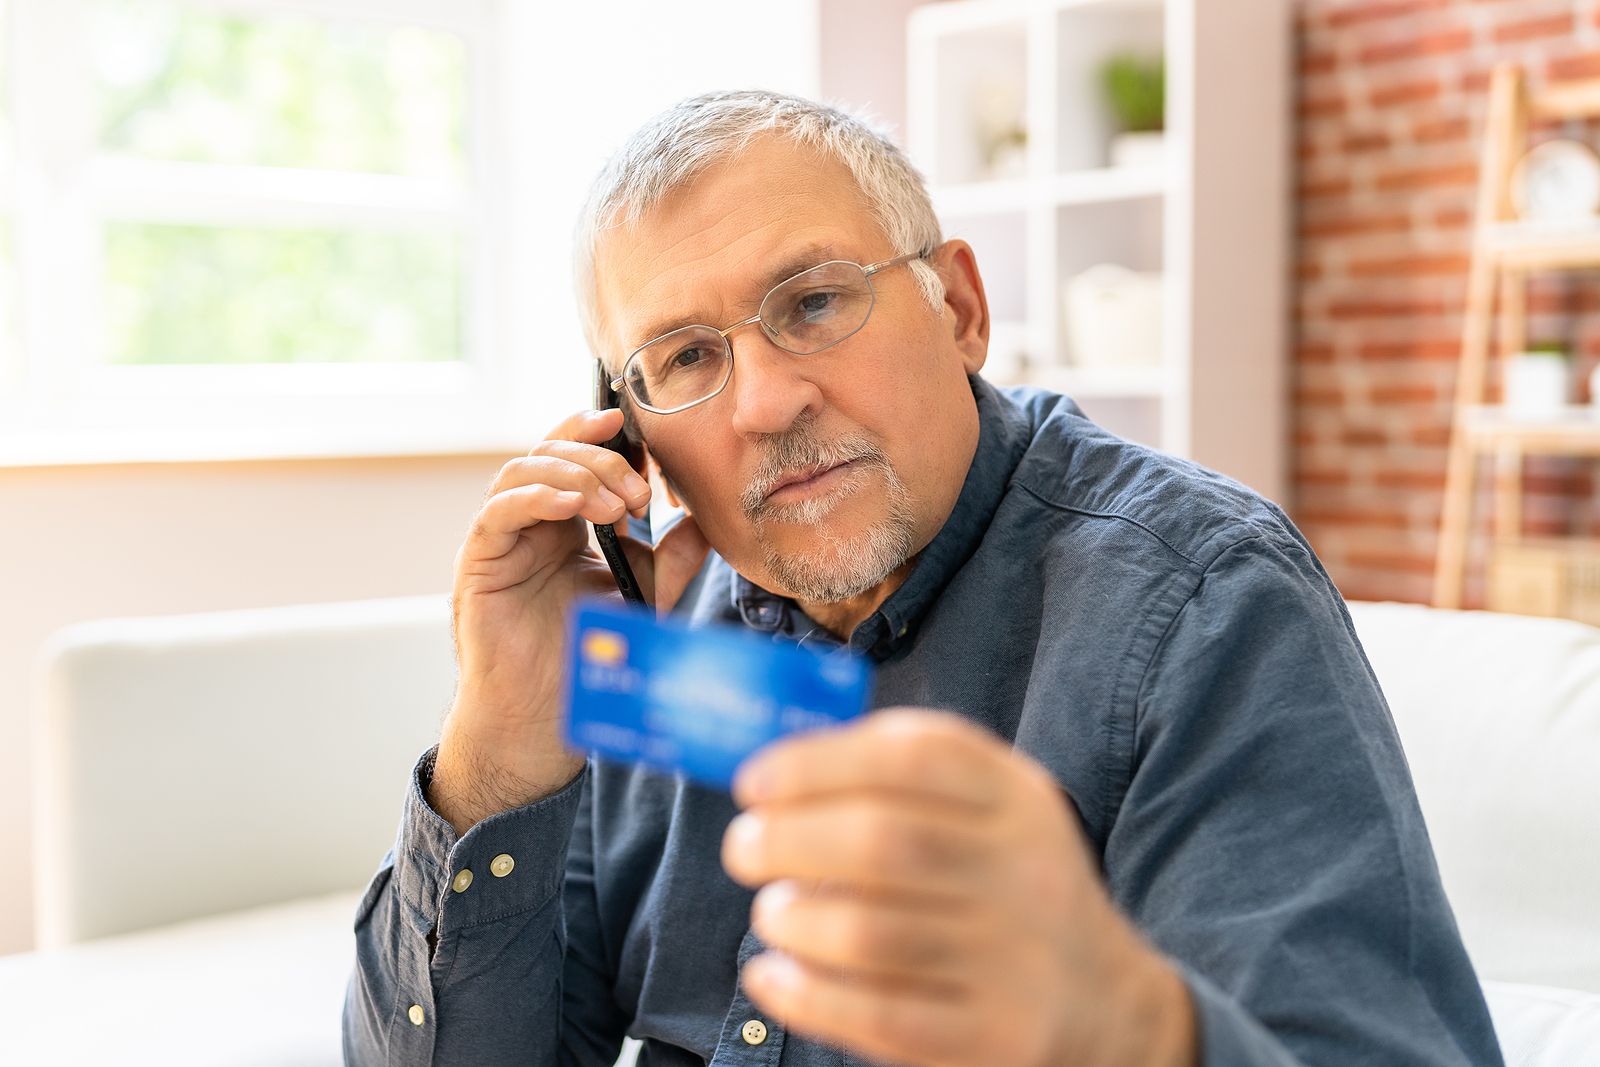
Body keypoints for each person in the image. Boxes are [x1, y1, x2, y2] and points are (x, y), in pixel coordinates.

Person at [343, 90, 1503, 1067]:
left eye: (812, 303)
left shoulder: (1200, 601)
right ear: (630, 434)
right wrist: (497, 742)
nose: (763, 402)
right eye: (686, 357)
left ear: (959, 307)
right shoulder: (668, 626)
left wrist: (1120, 1021)